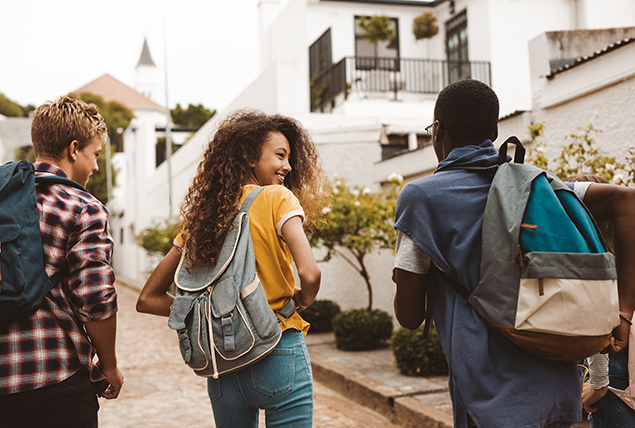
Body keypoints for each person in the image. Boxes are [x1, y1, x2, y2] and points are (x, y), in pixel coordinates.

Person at [392, 78, 635, 428]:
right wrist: (624, 312)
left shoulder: (421, 198)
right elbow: (626, 200)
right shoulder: (540, 184)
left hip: (489, 399)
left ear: (438, 132)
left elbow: (410, 315)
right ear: (493, 130)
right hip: (558, 391)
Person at [136, 109, 326, 428]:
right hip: (278, 347)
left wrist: (209, 314)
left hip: (223, 363)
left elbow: (147, 299)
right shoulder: (278, 198)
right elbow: (310, 274)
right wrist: (303, 300)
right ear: (252, 156)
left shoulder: (204, 218)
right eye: (280, 155)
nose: (288, 166)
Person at [0, 97, 123, 428]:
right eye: (95, 154)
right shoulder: (83, 206)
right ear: (73, 149)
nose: (96, 166)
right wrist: (108, 364)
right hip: (56, 379)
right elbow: (96, 299)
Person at [565, 174, 635, 427]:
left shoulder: (592, 259)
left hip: (614, 386)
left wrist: (598, 383)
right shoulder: (627, 260)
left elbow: (598, 326)